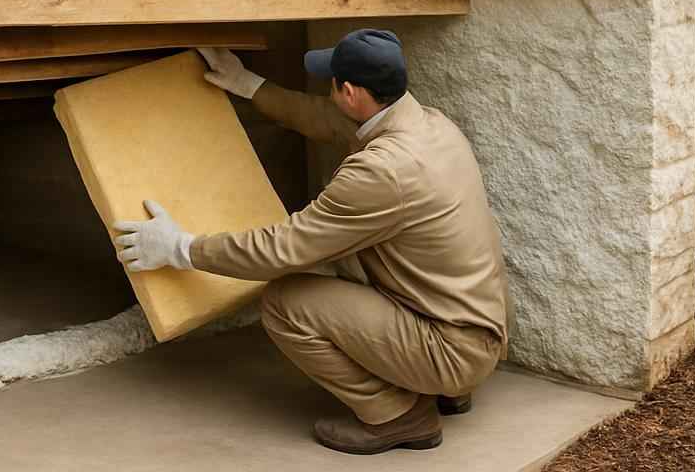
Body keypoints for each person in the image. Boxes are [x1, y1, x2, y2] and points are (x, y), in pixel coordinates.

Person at [112, 29, 509, 455]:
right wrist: (248, 84)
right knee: (351, 261)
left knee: (287, 302)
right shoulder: (429, 125)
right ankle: (443, 387)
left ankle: (398, 415)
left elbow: (280, 249)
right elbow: (331, 121)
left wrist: (179, 248)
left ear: (352, 91)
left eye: (332, 82)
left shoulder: (380, 172)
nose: (328, 88)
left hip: (448, 349)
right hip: (474, 325)